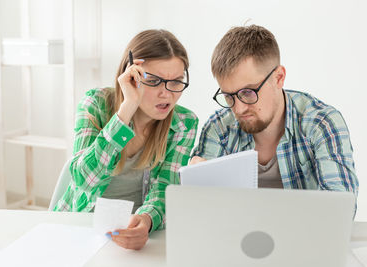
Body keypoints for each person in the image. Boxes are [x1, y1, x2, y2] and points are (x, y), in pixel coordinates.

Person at [54, 29, 198, 250]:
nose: (167, 94)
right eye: (155, 81)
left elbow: (165, 190)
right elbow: (84, 180)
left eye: (176, 81)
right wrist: (126, 111)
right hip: (78, 228)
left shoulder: (184, 123)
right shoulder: (95, 104)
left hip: (131, 235)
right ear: (131, 74)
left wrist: (147, 221)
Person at [192, 25, 358, 197]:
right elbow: (204, 207)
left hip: (304, 225)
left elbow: (339, 208)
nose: (238, 109)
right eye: (229, 96)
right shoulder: (218, 129)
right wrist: (195, 185)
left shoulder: (322, 123)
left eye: (248, 92)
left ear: (279, 78)